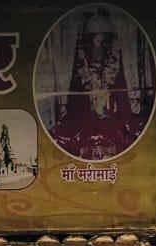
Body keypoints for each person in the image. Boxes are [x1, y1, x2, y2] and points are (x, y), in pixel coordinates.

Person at [47, 8, 141, 162]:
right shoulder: (80, 67)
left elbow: (123, 102)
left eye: (106, 42)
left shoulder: (115, 66)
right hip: (84, 128)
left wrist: (128, 124)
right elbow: (74, 105)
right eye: (98, 41)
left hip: (112, 127)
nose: (102, 47)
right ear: (88, 42)